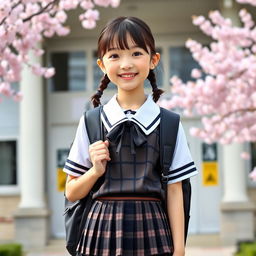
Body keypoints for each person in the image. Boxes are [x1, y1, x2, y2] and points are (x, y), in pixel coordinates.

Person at [63, 16, 198, 256]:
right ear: (102, 65)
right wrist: (95, 170)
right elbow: (71, 192)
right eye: (114, 56)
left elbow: (176, 190)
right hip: (100, 230)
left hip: (153, 229)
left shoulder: (169, 123)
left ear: (153, 59)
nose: (126, 64)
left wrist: (179, 250)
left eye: (136, 53)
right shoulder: (91, 121)